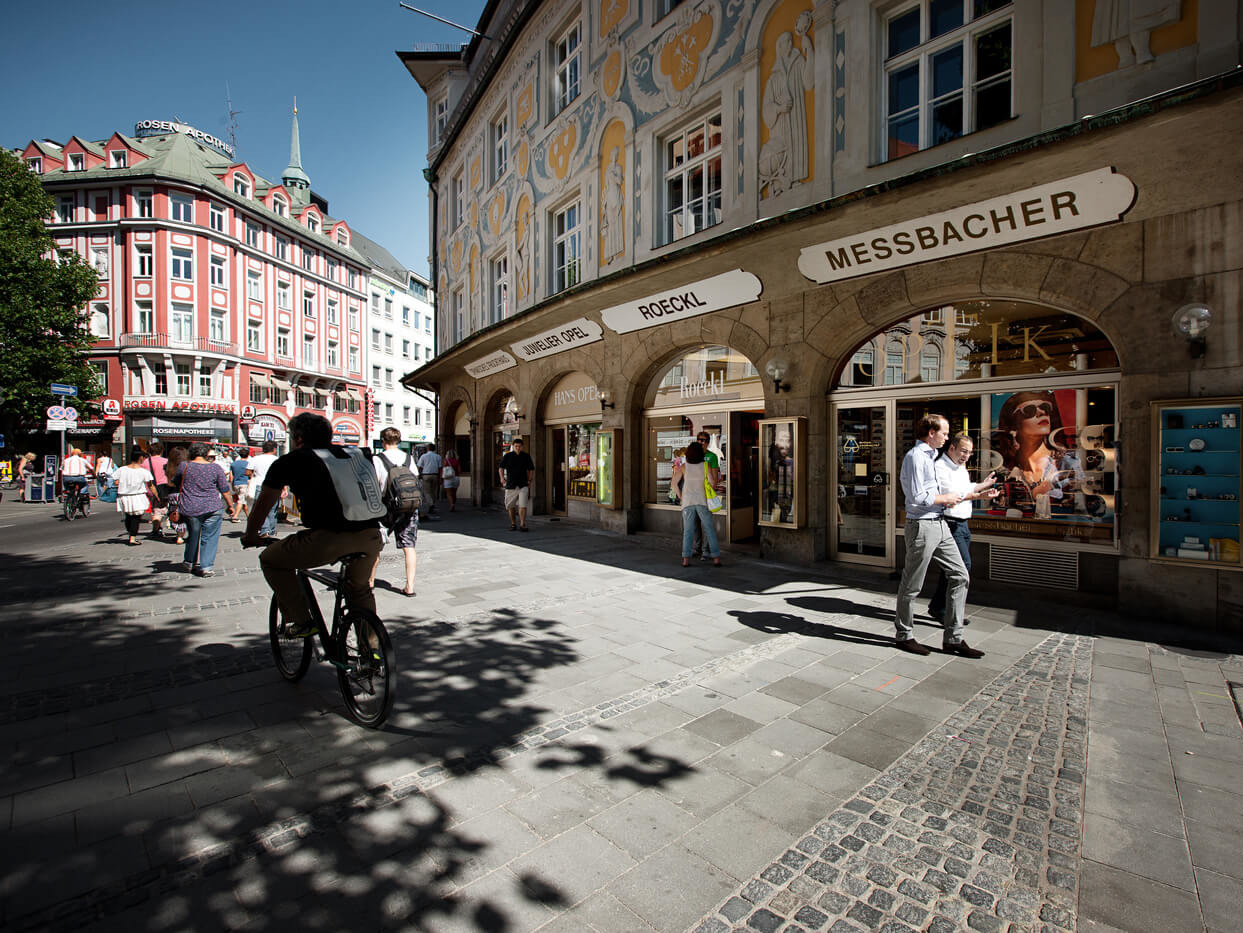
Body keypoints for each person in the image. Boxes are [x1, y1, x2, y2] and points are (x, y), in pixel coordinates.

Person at [241, 413, 383, 638]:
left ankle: (302, 621)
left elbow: (264, 504)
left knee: (270, 560)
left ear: (298, 438)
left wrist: (251, 534)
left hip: (328, 537)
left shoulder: (292, 460)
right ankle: (372, 651)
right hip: (371, 534)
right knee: (359, 589)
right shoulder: (356, 454)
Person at [893, 414, 984, 658]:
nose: (946, 437)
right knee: (912, 584)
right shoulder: (915, 457)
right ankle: (904, 635)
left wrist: (958, 496)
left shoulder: (932, 456)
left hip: (940, 522)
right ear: (931, 433)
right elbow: (916, 496)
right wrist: (945, 498)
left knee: (960, 575)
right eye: (944, 432)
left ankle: (954, 638)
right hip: (922, 525)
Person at [927, 434, 1000, 623]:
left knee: (951, 568)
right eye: (963, 451)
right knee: (961, 568)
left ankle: (939, 607)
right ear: (952, 448)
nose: (966, 456)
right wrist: (979, 496)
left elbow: (965, 488)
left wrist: (983, 486)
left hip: (963, 523)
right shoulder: (940, 467)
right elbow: (951, 495)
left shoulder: (960, 467)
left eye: (970, 453)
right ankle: (949, 613)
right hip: (950, 523)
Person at [994, 390, 1069, 519]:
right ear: (1014, 425)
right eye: (1029, 410)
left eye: (1045, 407)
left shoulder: (1066, 462)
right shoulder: (1003, 469)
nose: (1041, 412)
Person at [171, 443, 234, 577]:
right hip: (213, 507)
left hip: (191, 507)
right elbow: (224, 489)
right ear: (206, 454)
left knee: (193, 535)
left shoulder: (184, 466)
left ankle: (190, 561)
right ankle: (206, 567)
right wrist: (230, 505)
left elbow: (175, 482)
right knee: (210, 537)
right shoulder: (215, 468)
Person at [370, 427, 419, 597]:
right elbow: (415, 478)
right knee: (409, 546)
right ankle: (410, 586)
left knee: (376, 545)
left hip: (386, 507)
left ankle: (370, 581)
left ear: (383, 441)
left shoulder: (378, 459)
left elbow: (375, 483)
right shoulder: (408, 458)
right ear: (399, 441)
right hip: (408, 506)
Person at [672, 441, 722, 567]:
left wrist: (681, 496)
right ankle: (716, 558)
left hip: (687, 502)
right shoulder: (705, 466)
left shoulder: (684, 467)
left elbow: (674, 483)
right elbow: (712, 482)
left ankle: (685, 560)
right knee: (709, 529)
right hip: (703, 501)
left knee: (688, 531)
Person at [114, 447, 158, 546]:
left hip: (124, 496)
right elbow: (151, 486)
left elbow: (116, 481)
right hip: (138, 496)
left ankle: (131, 532)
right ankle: (132, 537)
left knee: (128, 516)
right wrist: (157, 496)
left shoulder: (122, 470)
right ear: (140, 458)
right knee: (136, 517)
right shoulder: (144, 472)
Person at [691, 430, 721, 560]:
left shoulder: (712, 456)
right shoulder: (692, 456)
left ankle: (706, 550)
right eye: (699, 440)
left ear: (708, 443)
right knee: (694, 523)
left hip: (705, 495)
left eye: (703, 440)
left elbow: (714, 478)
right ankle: (696, 548)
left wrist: (709, 494)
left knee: (706, 524)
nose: (701, 442)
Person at [498, 438, 535, 532]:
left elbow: (531, 469)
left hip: (523, 484)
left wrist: (529, 480)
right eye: (516, 446)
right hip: (511, 484)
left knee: (523, 505)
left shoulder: (526, 456)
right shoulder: (508, 456)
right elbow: (501, 468)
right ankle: (513, 524)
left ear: (522, 447)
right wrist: (502, 478)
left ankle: (522, 524)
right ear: (513, 446)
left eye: (519, 446)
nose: (518, 448)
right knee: (511, 506)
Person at [246, 441, 280, 537]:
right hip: (275, 486)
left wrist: (254, 475)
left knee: (262, 508)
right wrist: (284, 488)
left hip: (260, 485)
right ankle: (271, 530)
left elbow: (247, 472)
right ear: (274, 449)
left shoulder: (255, 459)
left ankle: (265, 530)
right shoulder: (277, 459)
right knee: (272, 509)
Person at [145, 442, 170, 538]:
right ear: (161, 450)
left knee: (155, 510)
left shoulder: (145, 462)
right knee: (160, 510)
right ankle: (157, 529)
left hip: (151, 489)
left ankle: (156, 529)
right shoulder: (166, 461)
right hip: (164, 488)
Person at [417, 444, 444, 517]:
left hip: (426, 475)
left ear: (427, 448)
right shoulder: (438, 456)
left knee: (426, 491)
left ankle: (431, 504)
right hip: (435, 475)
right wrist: (440, 477)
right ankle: (431, 505)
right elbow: (440, 468)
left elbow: (419, 466)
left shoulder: (423, 456)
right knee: (433, 491)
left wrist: (418, 474)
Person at [229, 448, 251, 521]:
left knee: (242, 500)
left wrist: (232, 484)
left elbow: (231, 476)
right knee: (241, 500)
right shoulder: (248, 464)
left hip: (235, 484)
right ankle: (235, 516)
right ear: (248, 455)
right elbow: (250, 475)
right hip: (244, 483)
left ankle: (249, 517)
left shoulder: (233, 464)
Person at [441, 446, 461, 511]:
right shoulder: (457, 461)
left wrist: (441, 478)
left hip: (448, 478)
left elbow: (443, 470)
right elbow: (459, 470)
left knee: (449, 493)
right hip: (456, 477)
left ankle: (452, 504)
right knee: (454, 492)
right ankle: (453, 503)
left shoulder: (446, 461)